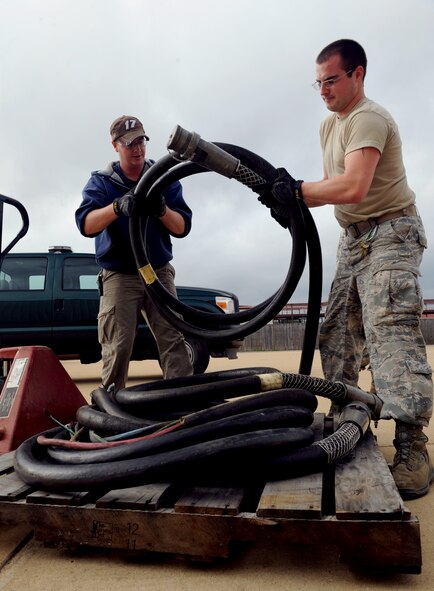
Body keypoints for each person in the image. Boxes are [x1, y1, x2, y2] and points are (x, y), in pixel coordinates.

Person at [270, 39, 433, 499]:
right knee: (338, 330)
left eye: (331, 80)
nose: (323, 89)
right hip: (354, 239)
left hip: (391, 233)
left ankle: (412, 446)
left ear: (357, 75)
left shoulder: (369, 118)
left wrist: (299, 191)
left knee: (390, 336)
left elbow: (356, 184)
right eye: (318, 82)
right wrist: (292, 197)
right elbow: (335, 188)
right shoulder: (330, 124)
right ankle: (352, 420)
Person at [75, 115, 193, 392]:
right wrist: (116, 207)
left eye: (141, 141)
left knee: (173, 339)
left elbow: (182, 227)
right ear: (115, 145)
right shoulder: (102, 183)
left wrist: (162, 209)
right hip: (120, 274)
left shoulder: (162, 178)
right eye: (129, 144)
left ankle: (184, 403)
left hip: (158, 272)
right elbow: (86, 224)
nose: (137, 149)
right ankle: (112, 410)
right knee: (118, 344)